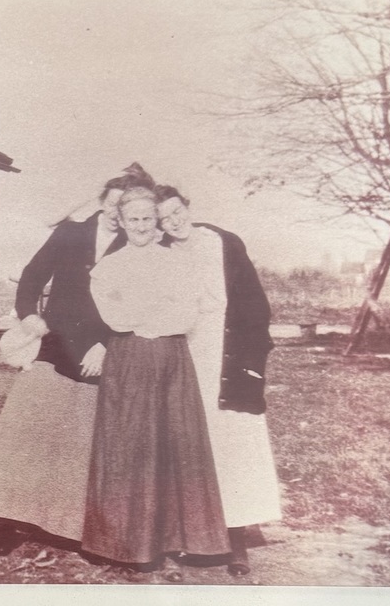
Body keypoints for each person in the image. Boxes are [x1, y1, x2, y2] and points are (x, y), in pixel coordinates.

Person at [0, 163, 155, 555]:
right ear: (102, 201)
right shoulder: (72, 233)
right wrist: (29, 314)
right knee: (26, 426)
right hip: (55, 342)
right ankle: (3, 519)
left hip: (102, 349)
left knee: (79, 437)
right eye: (108, 204)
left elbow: (142, 305)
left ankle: (64, 525)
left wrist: (107, 345)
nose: (112, 214)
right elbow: (32, 275)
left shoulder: (137, 246)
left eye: (120, 208)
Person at [82, 185, 229, 581]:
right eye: (134, 219)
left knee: (176, 443)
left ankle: (183, 540)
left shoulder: (179, 264)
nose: (142, 226)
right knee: (130, 445)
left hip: (169, 357)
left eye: (149, 219)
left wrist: (149, 316)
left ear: (157, 222)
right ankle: (125, 543)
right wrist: (149, 313)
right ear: (123, 222)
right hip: (129, 360)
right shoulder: (109, 267)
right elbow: (114, 315)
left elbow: (185, 313)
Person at [155, 184, 281, 576]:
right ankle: (190, 535)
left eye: (176, 211)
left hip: (229, 356)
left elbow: (256, 307)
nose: (173, 222)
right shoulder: (159, 253)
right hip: (187, 355)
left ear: (187, 206)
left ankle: (237, 538)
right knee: (190, 446)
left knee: (233, 446)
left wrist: (252, 361)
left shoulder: (223, 243)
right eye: (164, 218)